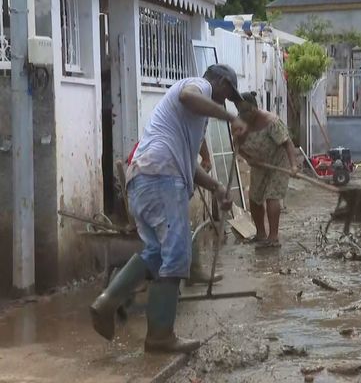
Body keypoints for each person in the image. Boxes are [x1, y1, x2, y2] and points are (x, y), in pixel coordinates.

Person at [90, 64, 249, 354]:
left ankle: (106, 303)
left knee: (156, 252)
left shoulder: (191, 122)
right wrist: (230, 116)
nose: (224, 101)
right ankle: (160, 336)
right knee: (177, 254)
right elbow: (189, 96)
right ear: (221, 82)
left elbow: (190, 165)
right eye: (227, 95)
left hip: (144, 178)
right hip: (161, 177)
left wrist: (216, 187)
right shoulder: (197, 85)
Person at [236, 91, 297, 249]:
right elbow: (236, 146)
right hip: (259, 164)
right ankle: (261, 234)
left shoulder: (270, 121)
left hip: (278, 162)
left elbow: (287, 143)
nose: (244, 115)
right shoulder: (239, 123)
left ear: (255, 109)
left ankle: (273, 237)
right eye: (241, 112)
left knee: (272, 196)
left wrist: (294, 166)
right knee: (254, 198)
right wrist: (249, 159)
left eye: (247, 112)